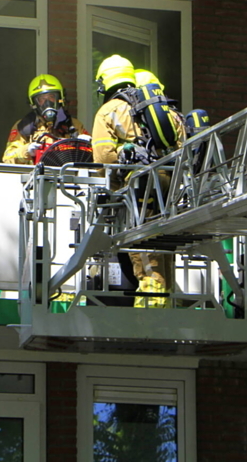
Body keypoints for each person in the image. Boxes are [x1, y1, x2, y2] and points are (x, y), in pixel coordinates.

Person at [92, 56, 184, 308]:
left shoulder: (108, 110)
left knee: (141, 237)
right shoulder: (160, 108)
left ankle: (151, 299)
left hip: (139, 184)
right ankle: (166, 297)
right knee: (164, 239)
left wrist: (116, 185)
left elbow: (103, 159)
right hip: (171, 182)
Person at [2, 74, 87, 165]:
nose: (48, 102)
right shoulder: (24, 127)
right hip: (35, 177)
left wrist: (85, 144)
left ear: (60, 99)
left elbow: (93, 156)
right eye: (42, 99)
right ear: (34, 103)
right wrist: (27, 151)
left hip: (65, 176)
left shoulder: (74, 125)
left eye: (51, 97)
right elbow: (7, 158)